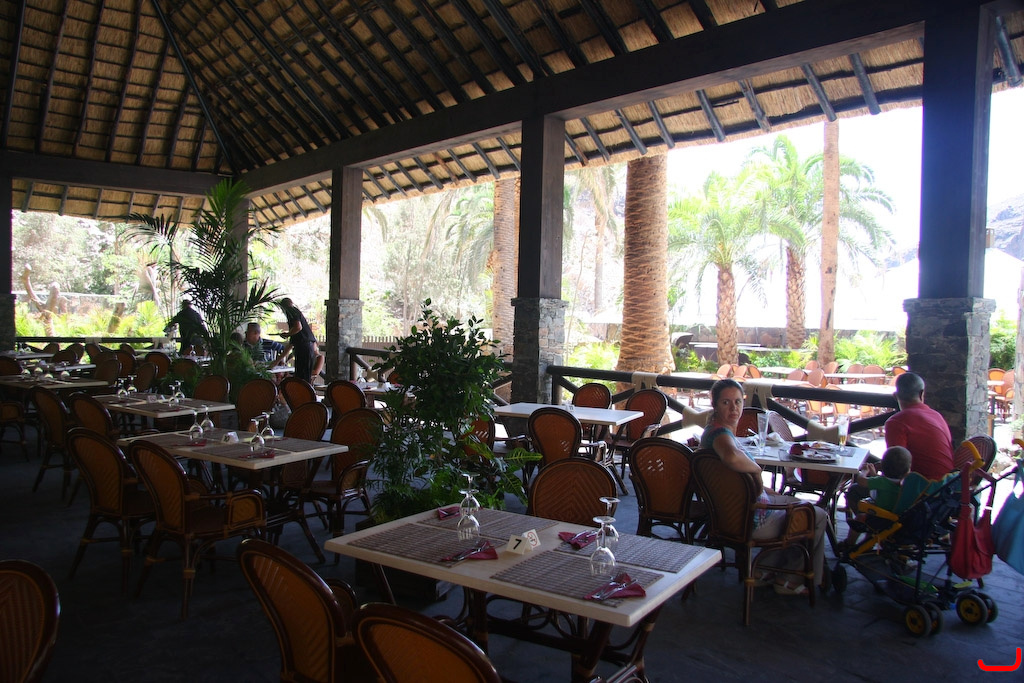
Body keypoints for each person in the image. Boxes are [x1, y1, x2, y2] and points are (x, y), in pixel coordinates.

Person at [701, 379, 827, 594]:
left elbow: (737, 482)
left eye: (738, 402)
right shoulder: (720, 435)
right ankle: (789, 580)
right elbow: (731, 458)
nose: (733, 408)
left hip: (733, 513)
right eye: (726, 402)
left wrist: (767, 489)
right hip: (751, 520)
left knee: (796, 503)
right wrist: (757, 470)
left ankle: (763, 571)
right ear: (714, 405)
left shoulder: (712, 431)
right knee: (817, 515)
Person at [885, 372, 954, 481]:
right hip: (949, 483)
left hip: (924, 488)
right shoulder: (936, 415)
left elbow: (897, 472)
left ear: (895, 396)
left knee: (860, 487)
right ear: (922, 393)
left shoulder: (895, 422)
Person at [841, 446, 912, 547]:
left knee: (860, 517)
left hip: (881, 518)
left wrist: (864, 471)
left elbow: (861, 481)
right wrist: (874, 474)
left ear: (883, 467)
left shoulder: (881, 481)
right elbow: (885, 483)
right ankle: (867, 543)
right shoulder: (907, 484)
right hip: (899, 519)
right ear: (908, 469)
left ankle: (849, 544)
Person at [279, 298, 316, 383]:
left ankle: (303, 390)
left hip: (304, 346)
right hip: (305, 345)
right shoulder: (295, 311)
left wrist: (288, 334)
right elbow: (292, 341)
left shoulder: (291, 311)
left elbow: (298, 327)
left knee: (302, 376)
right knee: (301, 375)